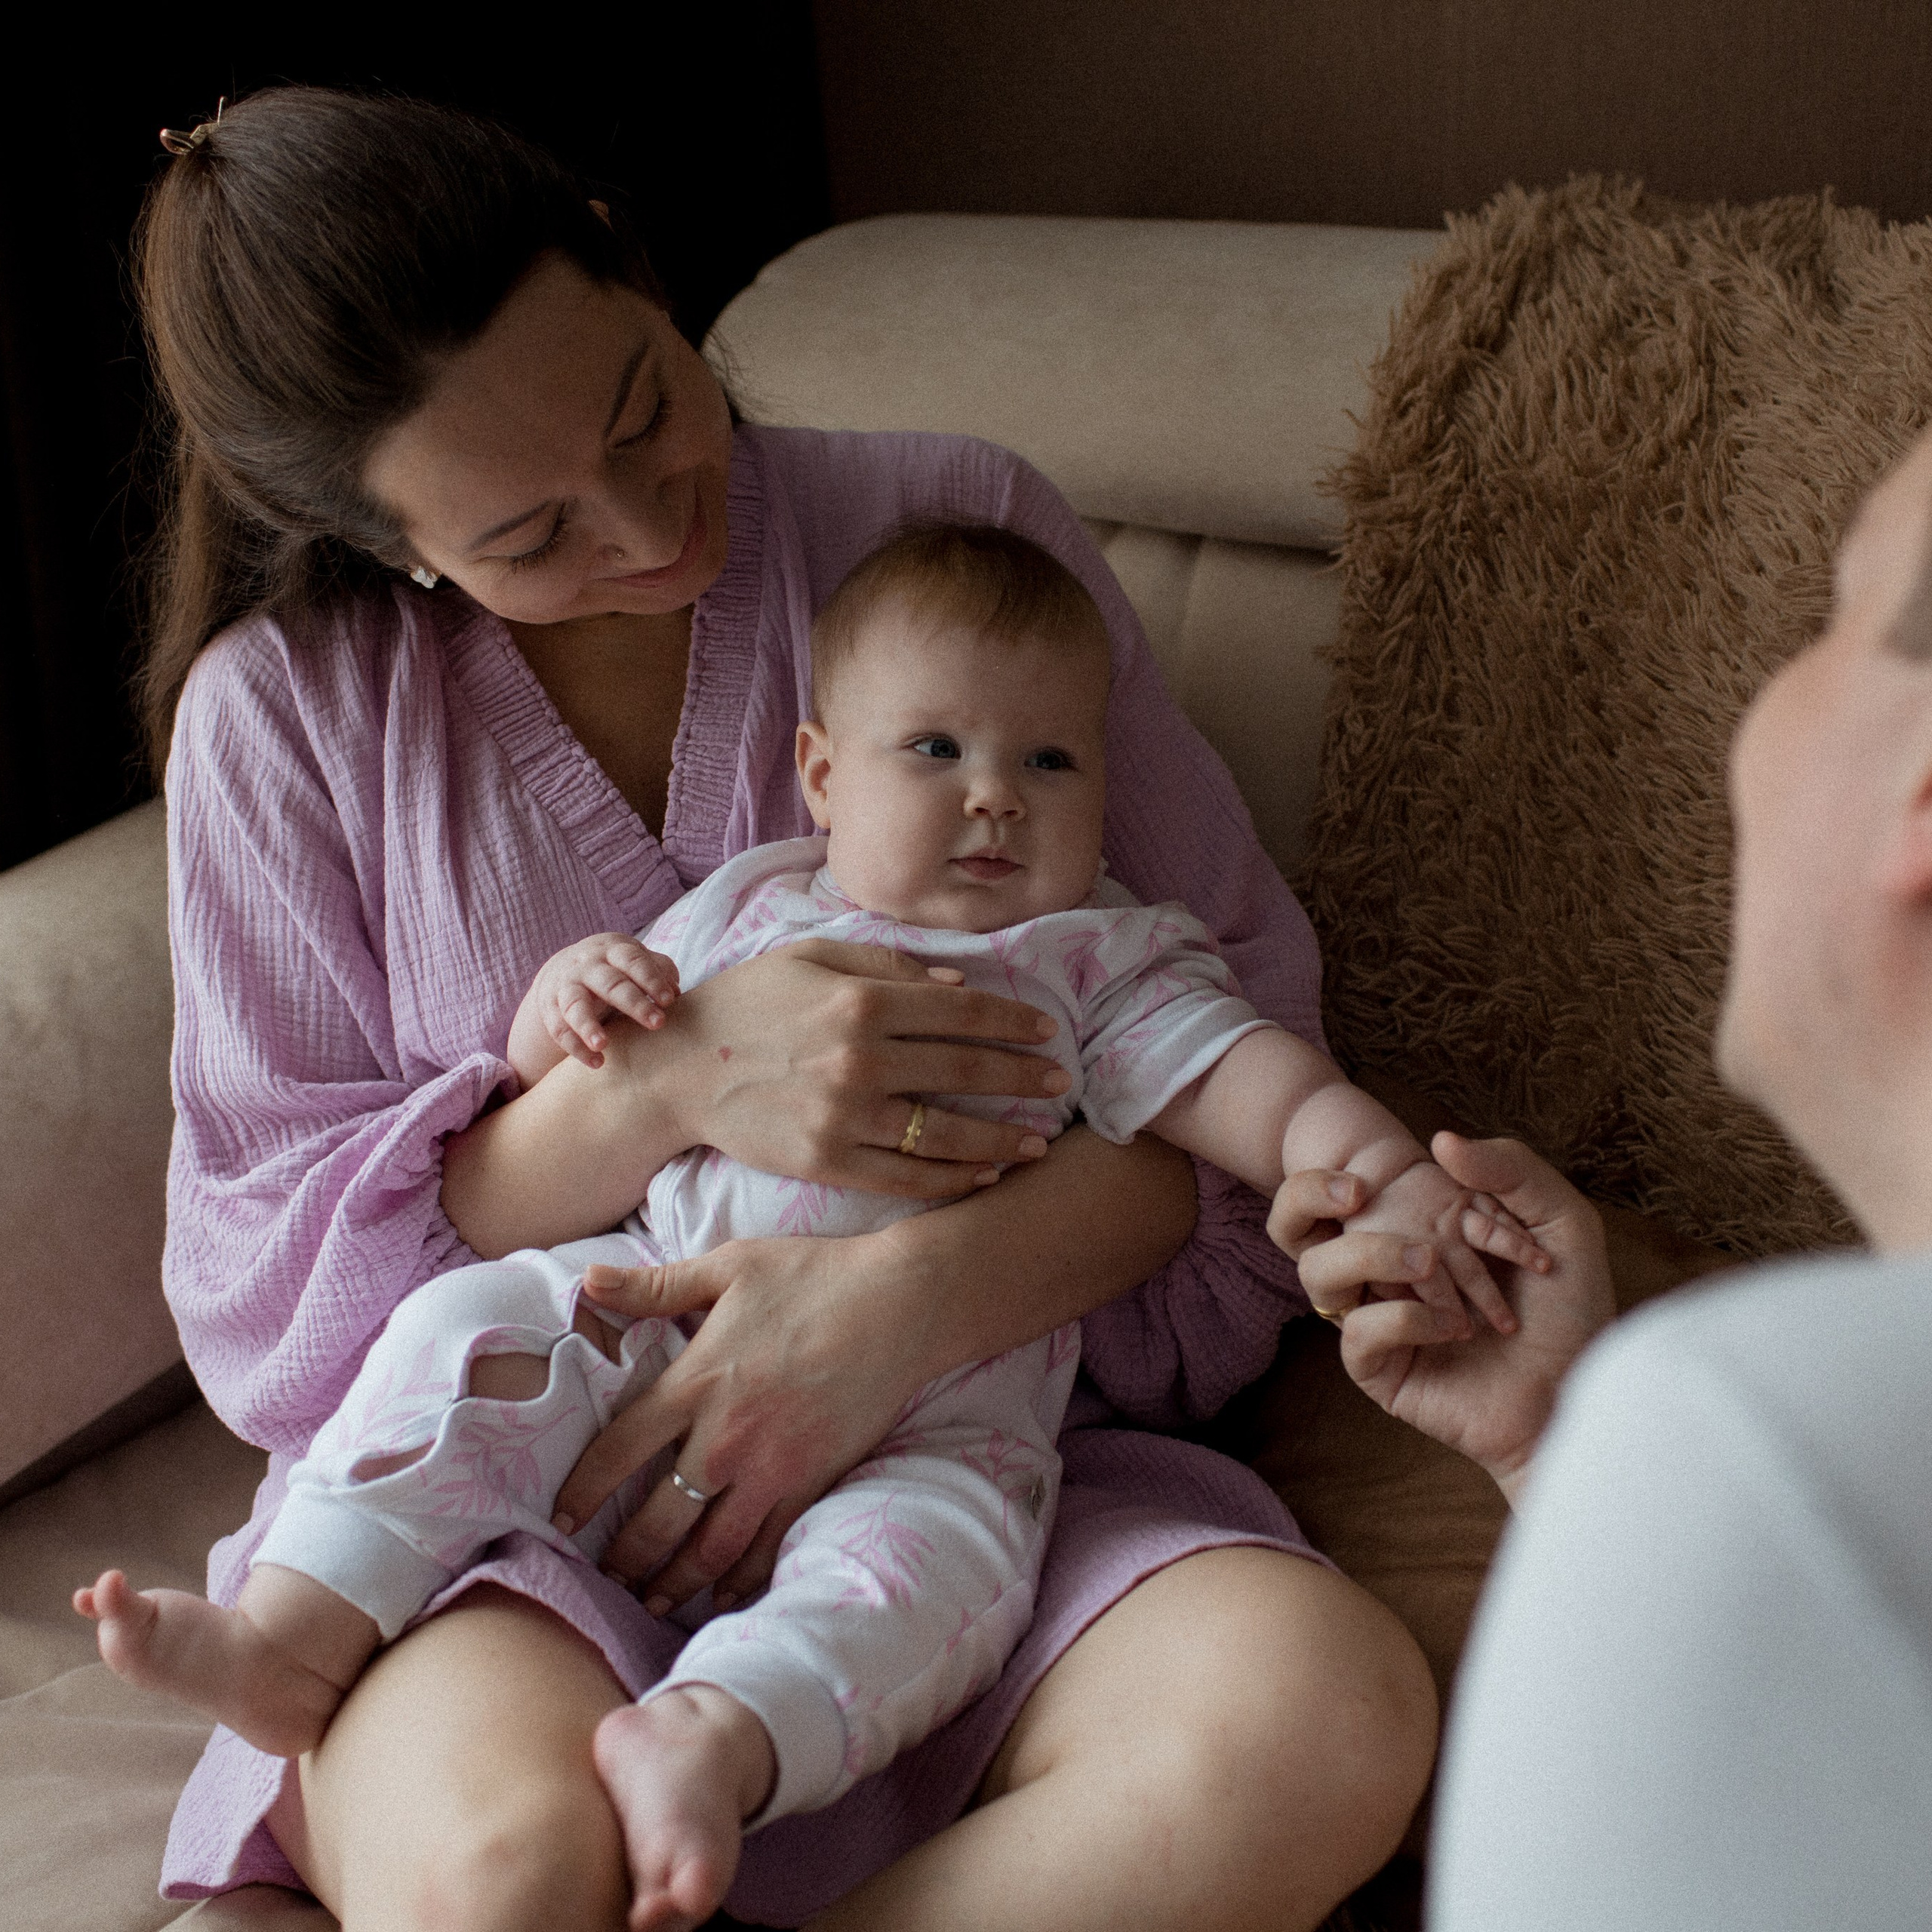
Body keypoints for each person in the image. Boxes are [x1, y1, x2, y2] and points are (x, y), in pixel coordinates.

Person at [136, 88, 1452, 1932]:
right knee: (511, 1872)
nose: (646, 521)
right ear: (387, 544)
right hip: (524, 1497)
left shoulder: (959, 526)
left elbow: (1220, 1098)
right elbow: (268, 1301)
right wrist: (667, 1084)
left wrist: (891, 1310)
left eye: (645, 406)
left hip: (977, 1464)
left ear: (632, 258)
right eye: (528, 532)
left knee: (1312, 1718)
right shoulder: (283, 721)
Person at [1281, 426, 1932, 1928]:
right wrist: (1551, 1454)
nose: (1752, 714)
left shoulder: (1745, 1435)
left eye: (1832, 621)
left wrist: (1664, 1468)